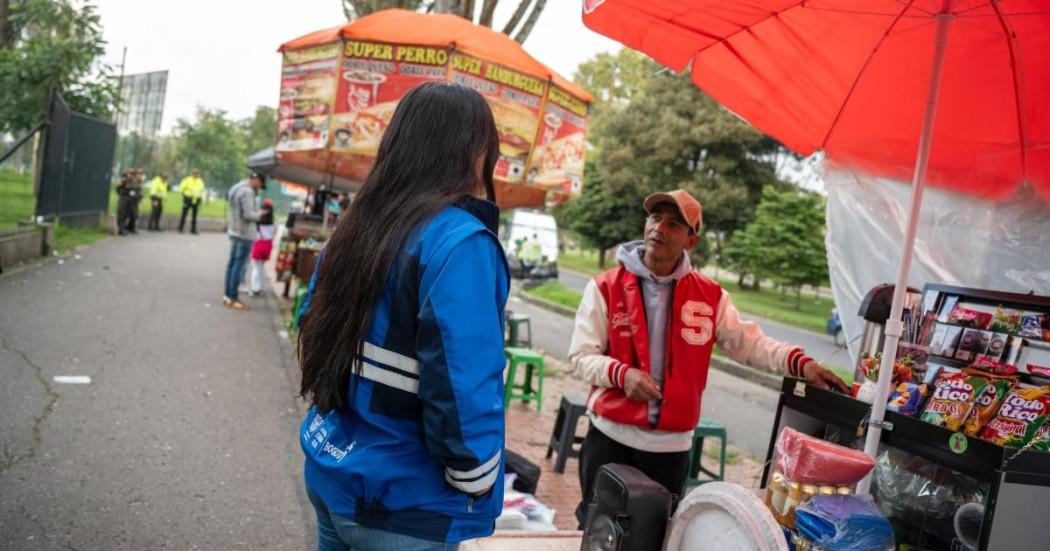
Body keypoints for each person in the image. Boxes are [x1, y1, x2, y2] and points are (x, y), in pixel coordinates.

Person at [296, 82, 507, 550]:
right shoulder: (461, 242)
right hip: (407, 504)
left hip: (332, 469)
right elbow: (461, 381)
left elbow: (309, 325)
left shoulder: (355, 227)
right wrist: (475, 477)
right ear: (474, 152)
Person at [569, 189, 848, 527]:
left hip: (670, 452)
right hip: (609, 440)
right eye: (655, 218)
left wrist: (801, 364)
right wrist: (620, 374)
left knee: (653, 537)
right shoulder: (604, 287)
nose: (659, 228)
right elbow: (581, 357)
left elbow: (750, 345)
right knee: (597, 531)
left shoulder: (711, 297)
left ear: (691, 240)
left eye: (674, 224)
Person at [222, 172, 265, 310]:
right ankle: (233, 297)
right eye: (260, 183)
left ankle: (227, 296)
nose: (260, 187)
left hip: (234, 229)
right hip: (244, 233)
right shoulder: (247, 192)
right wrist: (260, 214)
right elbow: (248, 214)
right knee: (238, 265)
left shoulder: (237, 187)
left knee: (232, 263)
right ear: (256, 180)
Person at [249, 198, 275, 297]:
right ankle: (258, 287)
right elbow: (273, 234)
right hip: (268, 246)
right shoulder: (273, 222)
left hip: (259, 244)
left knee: (256, 268)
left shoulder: (258, 222)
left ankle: (255, 289)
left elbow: (255, 234)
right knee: (260, 268)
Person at [115, 170, 142, 235]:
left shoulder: (132, 181)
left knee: (126, 214)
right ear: (127, 174)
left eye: (132, 174)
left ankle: (124, 228)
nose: (131, 175)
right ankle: (120, 229)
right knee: (122, 214)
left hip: (129, 200)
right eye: (129, 174)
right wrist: (123, 192)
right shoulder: (123, 180)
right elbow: (118, 190)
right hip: (124, 199)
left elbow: (135, 189)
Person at [178, 170, 205, 234]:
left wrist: (200, 198)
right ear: (191, 174)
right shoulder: (187, 180)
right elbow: (182, 189)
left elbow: (202, 190)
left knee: (194, 216)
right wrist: (185, 196)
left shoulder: (200, 181)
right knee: (184, 214)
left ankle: (193, 230)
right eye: (194, 173)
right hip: (188, 199)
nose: (195, 175)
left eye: (197, 173)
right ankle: (180, 228)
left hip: (196, 200)